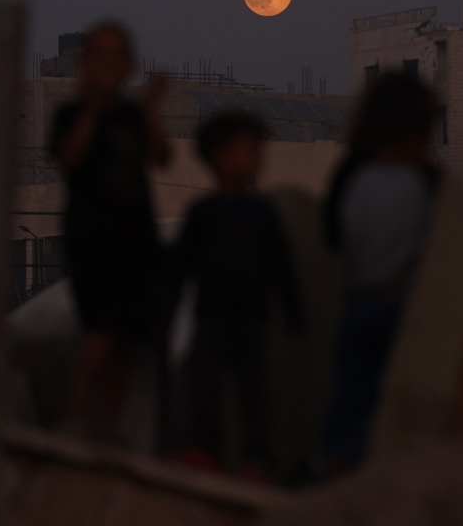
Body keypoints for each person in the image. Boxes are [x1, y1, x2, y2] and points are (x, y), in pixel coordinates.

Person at [50, 22, 171, 437]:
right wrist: (93, 106)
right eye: (99, 53)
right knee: (103, 328)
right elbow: (71, 157)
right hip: (92, 239)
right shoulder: (71, 112)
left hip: (136, 240)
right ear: (84, 62)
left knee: (127, 336)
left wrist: (151, 109)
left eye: (117, 53)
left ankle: (110, 427)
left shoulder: (133, 114)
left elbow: (162, 157)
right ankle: (78, 418)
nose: (108, 63)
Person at [170, 111, 304, 476]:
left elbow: (281, 268)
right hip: (212, 317)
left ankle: (255, 459)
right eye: (248, 149)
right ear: (219, 156)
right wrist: (162, 312)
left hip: (251, 319)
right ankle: (204, 453)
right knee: (205, 390)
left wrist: (294, 313)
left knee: (254, 393)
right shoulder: (203, 214)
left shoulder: (262, 213)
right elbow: (179, 269)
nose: (256, 158)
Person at [319, 73, 438, 473]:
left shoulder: (354, 173)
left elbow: (332, 233)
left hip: (381, 304)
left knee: (360, 399)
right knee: (366, 398)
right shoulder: (418, 179)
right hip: (381, 305)